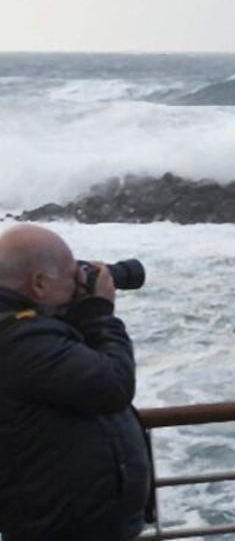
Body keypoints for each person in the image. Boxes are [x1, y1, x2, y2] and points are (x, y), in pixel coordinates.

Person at [0, 224, 150, 540]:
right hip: (65, 528)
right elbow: (114, 386)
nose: (77, 287)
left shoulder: (31, 328)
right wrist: (99, 314)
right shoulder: (20, 340)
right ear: (38, 283)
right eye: (70, 278)